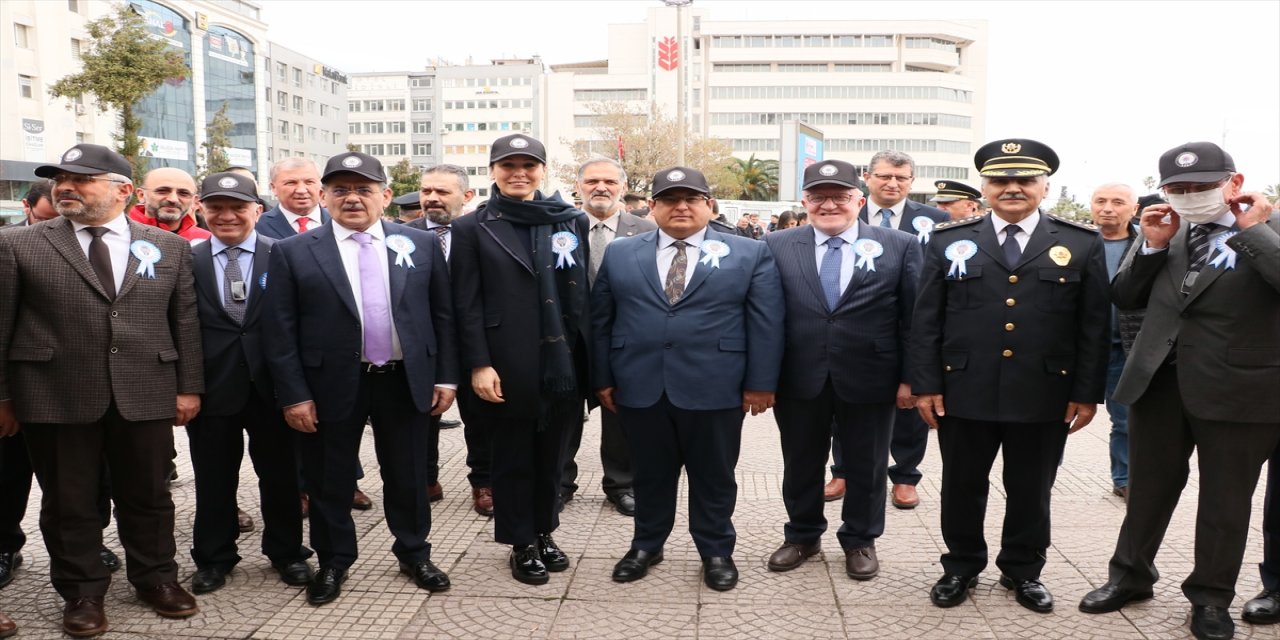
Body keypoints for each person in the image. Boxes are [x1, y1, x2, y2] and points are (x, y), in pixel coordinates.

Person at [1078, 142, 1280, 640]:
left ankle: (1211, 599)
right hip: (1160, 381)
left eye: (1203, 187)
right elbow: (1124, 295)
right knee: (1146, 491)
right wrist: (1149, 245)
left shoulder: (1268, 229)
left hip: (1240, 388)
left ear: (1234, 183)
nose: (1191, 197)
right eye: (1179, 189)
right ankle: (1130, 577)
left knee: (1225, 501)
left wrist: (1253, 231)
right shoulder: (1166, 229)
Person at [0, 144, 204, 636]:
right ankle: (83, 592)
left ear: (123, 190)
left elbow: (184, 322)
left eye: (83, 178)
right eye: (61, 179)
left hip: (146, 390)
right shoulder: (18, 244)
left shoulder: (167, 246)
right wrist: (4, 397)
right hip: (54, 393)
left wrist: (189, 388)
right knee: (69, 500)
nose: (66, 186)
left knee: (149, 495)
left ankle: (156, 579)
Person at [910, 138, 1109, 613]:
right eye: (1001, 180)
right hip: (964, 388)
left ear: (1045, 186)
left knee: (1031, 487)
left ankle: (1023, 570)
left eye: (1025, 180)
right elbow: (925, 320)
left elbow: (1094, 324)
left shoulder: (1080, 243)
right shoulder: (946, 240)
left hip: (1043, 389)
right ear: (985, 187)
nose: (1013, 188)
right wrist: (926, 384)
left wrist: (1086, 393)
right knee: (962, 484)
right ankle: (960, 566)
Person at [264, 151, 458, 605]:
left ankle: (414, 552)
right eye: (340, 190)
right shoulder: (293, 252)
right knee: (329, 478)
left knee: (408, 474)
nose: (352, 198)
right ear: (323, 196)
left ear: (385, 196)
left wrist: (446, 377)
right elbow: (280, 331)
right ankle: (333, 560)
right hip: (329, 382)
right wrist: (294, 395)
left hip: (403, 379)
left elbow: (443, 315)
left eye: (364, 189)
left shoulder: (420, 244)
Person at [593, 166, 784, 591]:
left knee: (714, 475)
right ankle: (646, 544)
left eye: (691, 199)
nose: (681, 207)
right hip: (640, 384)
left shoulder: (748, 252)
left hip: (716, 385)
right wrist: (602, 376)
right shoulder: (623, 253)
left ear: (708, 205)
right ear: (653, 207)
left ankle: (716, 550)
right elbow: (602, 320)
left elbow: (767, 322)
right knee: (649, 473)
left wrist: (761, 383)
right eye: (669, 199)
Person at [763, 159, 922, 580]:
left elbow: (914, 318)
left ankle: (860, 540)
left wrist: (911, 378)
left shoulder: (900, 244)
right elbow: (764, 316)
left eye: (840, 196)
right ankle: (801, 535)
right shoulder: (776, 245)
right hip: (799, 377)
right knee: (800, 461)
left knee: (867, 464)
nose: (829, 204)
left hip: (872, 376)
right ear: (804, 201)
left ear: (860, 199)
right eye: (818, 197)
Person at [451, 133, 591, 586]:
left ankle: (545, 530)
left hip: (563, 363)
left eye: (528, 166)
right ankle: (520, 542)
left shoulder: (571, 221)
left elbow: (580, 295)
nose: (518, 173)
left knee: (554, 456)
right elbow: (465, 301)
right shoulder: (473, 226)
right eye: (508, 166)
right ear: (492, 171)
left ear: (542, 171)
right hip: (505, 363)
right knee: (512, 457)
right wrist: (478, 363)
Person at [184, 172, 314, 595]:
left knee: (281, 476)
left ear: (257, 210)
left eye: (237, 207)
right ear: (201, 209)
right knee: (213, 478)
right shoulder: (187, 259)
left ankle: (287, 552)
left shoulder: (287, 254)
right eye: (216, 207)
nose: (226, 216)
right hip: (213, 388)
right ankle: (214, 557)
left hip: (274, 389)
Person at [255, 158, 370, 512]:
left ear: (320, 189)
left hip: (346, 350)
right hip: (293, 344)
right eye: (290, 183)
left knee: (339, 422)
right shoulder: (262, 226)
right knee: (301, 428)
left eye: (308, 182)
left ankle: (348, 482)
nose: (300, 189)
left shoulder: (342, 221)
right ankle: (304, 488)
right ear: (274, 188)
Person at [849, 149, 950, 511]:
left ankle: (906, 476)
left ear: (911, 181)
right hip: (857, 326)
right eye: (884, 176)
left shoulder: (937, 219)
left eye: (901, 177)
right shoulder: (846, 210)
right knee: (846, 402)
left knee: (911, 401)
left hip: (916, 324)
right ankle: (842, 470)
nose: (893, 183)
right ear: (867, 177)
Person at [564, 157, 656, 517]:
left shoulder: (648, 230)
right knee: (564, 413)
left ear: (622, 185)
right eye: (591, 181)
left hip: (625, 337)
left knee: (621, 412)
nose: (600, 187)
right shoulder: (559, 227)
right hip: (569, 338)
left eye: (608, 181)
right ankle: (559, 482)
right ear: (579, 186)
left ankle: (621, 484)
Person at [407, 165, 481, 510]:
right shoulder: (400, 236)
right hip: (425, 344)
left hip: (476, 342)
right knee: (422, 416)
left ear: (466, 197)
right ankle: (425, 480)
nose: (432, 198)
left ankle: (484, 483)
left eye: (442, 192)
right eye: (426, 191)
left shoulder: (483, 233)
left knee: (482, 417)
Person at [1088, 183, 1141, 500]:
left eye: (1117, 202)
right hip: (1079, 349)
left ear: (1133, 208)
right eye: (1101, 201)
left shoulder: (1148, 243)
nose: (1107, 208)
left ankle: (1125, 478)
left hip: (1125, 348)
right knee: (1054, 419)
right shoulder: (1074, 242)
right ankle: (1044, 475)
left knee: (1126, 420)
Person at [128, 167, 212, 242]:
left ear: (195, 201)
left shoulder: (207, 240)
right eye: (162, 191)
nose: (173, 199)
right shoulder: (121, 234)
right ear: (141, 195)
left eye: (183, 193)